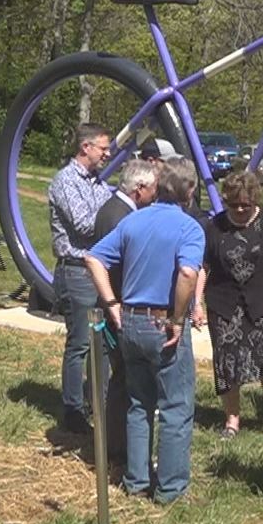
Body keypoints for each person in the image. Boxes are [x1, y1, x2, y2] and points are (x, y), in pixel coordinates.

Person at [85, 157, 205, 503]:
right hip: (162, 321)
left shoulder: (134, 221)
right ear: (190, 191)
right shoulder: (189, 228)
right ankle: (170, 488)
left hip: (131, 320)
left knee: (138, 403)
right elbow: (187, 274)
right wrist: (179, 319)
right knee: (175, 407)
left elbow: (93, 258)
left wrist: (111, 303)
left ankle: (136, 481)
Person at [193, 169, 263, 441]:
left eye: (244, 205)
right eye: (232, 204)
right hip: (223, 304)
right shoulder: (215, 226)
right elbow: (204, 266)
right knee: (226, 365)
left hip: (262, 302)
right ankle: (232, 419)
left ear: (254, 201)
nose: (238, 209)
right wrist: (196, 303)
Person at [48, 123, 117, 435]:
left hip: (98, 270)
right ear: (85, 147)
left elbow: (112, 209)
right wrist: (117, 217)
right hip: (76, 270)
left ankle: (99, 404)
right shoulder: (65, 181)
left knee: (100, 343)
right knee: (79, 343)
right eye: (103, 148)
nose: (108, 153)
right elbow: (85, 224)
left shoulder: (95, 181)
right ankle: (73, 410)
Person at [91, 158, 160, 461]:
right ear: (140, 189)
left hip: (116, 304)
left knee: (121, 378)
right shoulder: (121, 217)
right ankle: (117, 446)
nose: (155, 195)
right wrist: (116, 304)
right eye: (153, 189)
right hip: (120, 307)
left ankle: (116, 443)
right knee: (123, 380)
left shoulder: (114, 209)